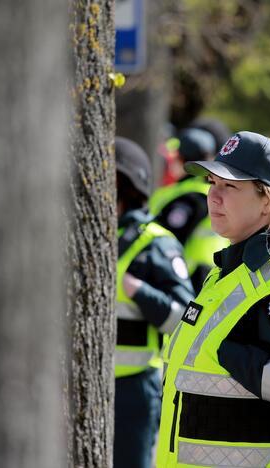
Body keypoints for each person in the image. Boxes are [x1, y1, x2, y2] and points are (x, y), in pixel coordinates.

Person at [156, 131, 270, 467]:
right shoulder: (226, 272)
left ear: (268, 201)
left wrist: (224, 351)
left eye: (229, 186)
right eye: (212, 183)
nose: (213, 196)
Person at [113, 137, 195, 468]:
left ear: (128, 186)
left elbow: (187, 320)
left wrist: (138, 291)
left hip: (132, 389)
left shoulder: (156, 245)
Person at [150, 127, 229, 292]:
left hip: (189, 276)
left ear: (181, 159)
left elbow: (169, 238)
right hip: (210, 272)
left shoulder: (191, 197)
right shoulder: (204, 191)